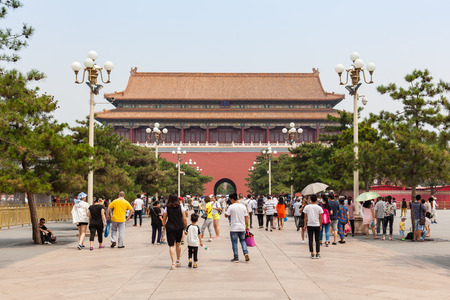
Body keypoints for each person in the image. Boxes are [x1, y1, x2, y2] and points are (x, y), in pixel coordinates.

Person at [163, 193, 187, 270]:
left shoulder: (167, 207)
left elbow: (164, 219)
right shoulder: (180, 206)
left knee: (171, 245)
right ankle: (178, 260)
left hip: (170, 227)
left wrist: (164, 226)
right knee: (178, 243)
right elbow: (184, 218)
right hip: (179, 227)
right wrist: (185, 226)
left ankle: (173, 263)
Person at [225, 193, 250, 263]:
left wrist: (226, 210)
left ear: (232, 199)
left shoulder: (231, 206)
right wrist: (247, 226)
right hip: (242, 227)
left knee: (234, 242)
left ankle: (236, 258)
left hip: (234, 227)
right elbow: (246, 217)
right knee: (243, 241)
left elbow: (226, 215)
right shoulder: (243, 206)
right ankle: (246, 253)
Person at [303, 194, 323, 259]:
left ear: (310, 200)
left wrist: (305, 224)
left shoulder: (307, 207)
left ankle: (312, 253)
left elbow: (305, 217)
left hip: (310, 225)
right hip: (317, 224)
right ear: (316, 200)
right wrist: (320, 225)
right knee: (317, 240)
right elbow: (320, 218)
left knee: (310, 240)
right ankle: (317, 253)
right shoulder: (319, 207)